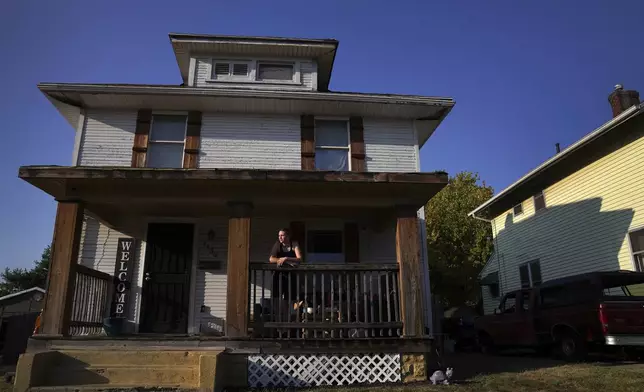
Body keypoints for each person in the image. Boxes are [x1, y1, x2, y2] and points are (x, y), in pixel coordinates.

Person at [269, 229, 302, 322]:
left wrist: (286, 258)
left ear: (287, 236)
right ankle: (278, 320)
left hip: (291, 275)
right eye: (279, 235)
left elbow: (299, 258)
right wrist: (282, 260)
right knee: (276, 298)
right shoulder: (277, 245)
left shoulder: (294, 244)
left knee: (290, 298)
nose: (280, 237)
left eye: (282, 235)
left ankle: (289, 321)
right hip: (278, 275)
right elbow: (271, 259)